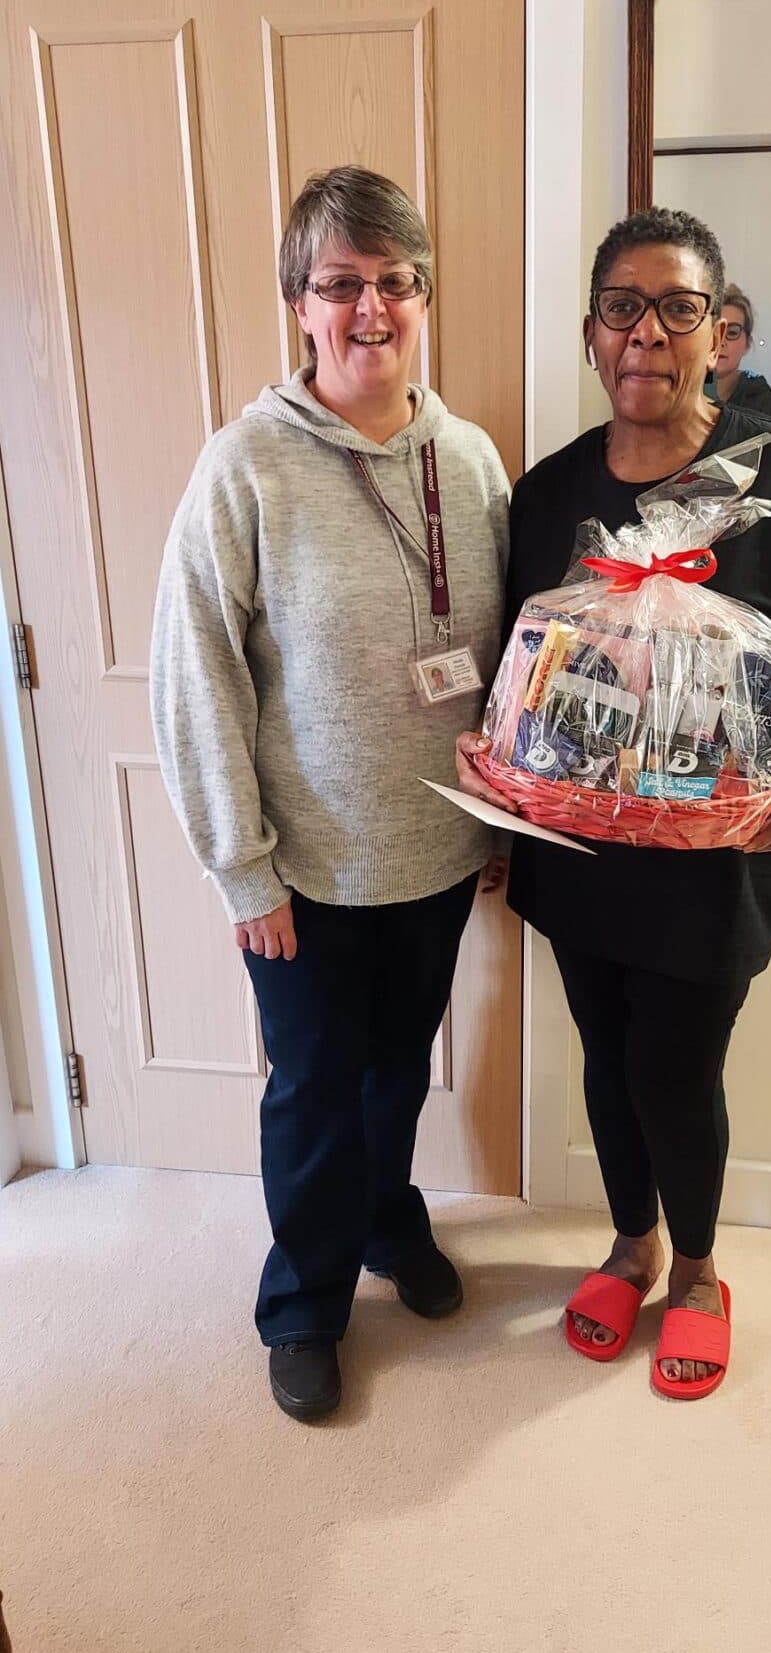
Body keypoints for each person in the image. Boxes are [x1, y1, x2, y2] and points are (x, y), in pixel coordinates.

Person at [457, 207, 771, 1400]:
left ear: (717, 335)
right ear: (592, 334)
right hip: (574, 852)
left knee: (675, 1070)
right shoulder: (546, 493)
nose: (649, 333)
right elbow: (522, 679)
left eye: (678, 309)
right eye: (624, 308)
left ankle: (695, 1271)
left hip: (715, 854)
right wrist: (495, 815)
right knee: (602, 1054)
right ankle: (627, 1243)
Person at [151, 166, 509, 1421]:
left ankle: (386, 1221)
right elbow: (193, 669)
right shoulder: (244, 465)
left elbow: (510, 658)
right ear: (300, 306)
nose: (371, 310)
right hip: (304, 869)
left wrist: (508, 818)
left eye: (394, 284)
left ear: (423, 297)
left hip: (441, 850)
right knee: (311, 1087)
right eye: (341, 285)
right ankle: (301, 1297)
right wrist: (241, 868)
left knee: (395, 1071)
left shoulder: (466, 460)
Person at [709, 283, 771, 424]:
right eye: (713, 331)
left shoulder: (769, 409)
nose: (721, 342)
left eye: (732, 332)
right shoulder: (677, 399)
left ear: (747, 343)